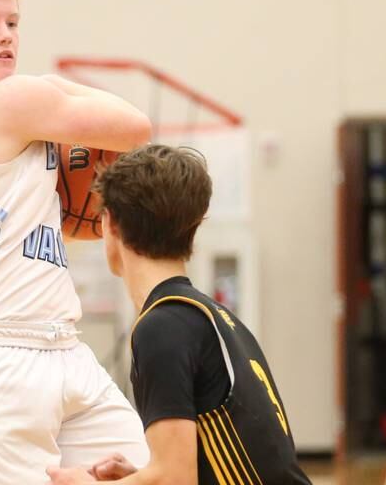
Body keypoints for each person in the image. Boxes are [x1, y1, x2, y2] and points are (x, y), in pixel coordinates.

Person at [0, 0, 152, 483]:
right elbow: (136, 127)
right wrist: (51, 84)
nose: (4, 35)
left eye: (12, 22)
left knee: (146, 474)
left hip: (63, 348)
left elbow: (54, 226)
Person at [47, 145, 311, 484]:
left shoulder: (161, 327)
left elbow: (174, 479)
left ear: (109, 223)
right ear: (195, 225)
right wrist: (140, 478)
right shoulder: (213, 316)